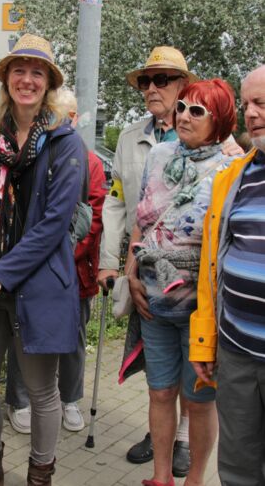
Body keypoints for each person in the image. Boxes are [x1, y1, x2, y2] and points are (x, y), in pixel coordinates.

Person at [0, 34, 86, 486]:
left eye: (38, 72)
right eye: (19, 70)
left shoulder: (65, 142)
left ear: (49, 83)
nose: (27, 79)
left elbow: (54, 225)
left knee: (41, 393)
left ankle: (40, 476)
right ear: (6, 80)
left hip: (37, 284)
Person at [127, 78, 237, 486]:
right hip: (152, 301)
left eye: (197, 110)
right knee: (159, 393)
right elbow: (141, 221)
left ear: (220, 121)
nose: (184, 115)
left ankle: (194, 480)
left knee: (199, 400)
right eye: (183, 107)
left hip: (199, 310)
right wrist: (131, 272)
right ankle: (161, 477)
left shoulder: (230, 166)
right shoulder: (158, 155)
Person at [97, 46, 197, 474]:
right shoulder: (129, 138)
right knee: (155, 358)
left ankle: (185, 437)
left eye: (163, 80)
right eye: (146, 81)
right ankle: (158, 429)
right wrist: (109, 262)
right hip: (143, 268)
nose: (152, 88)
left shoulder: (202, 133)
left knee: (191, 364)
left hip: (190, 277)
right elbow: (118, 203)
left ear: (183, 86)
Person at [4, 88, 107, 434]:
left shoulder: (87, 159)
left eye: (70, 115)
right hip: (33, 267)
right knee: (26, 334)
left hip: (75, 268)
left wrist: (65, 253)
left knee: (74, 338)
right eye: (56, 114)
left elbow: (93, 215)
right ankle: (19, 401)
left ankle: (71, 399)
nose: (64, 120)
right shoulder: (34, 150)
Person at [189, 65, 265, 486]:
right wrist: (206, 341)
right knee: (236, 468)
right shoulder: (233, 178)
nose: (250, 114)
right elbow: (210, 269)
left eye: (261, 103)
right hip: (236, 352)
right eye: (247, 103)